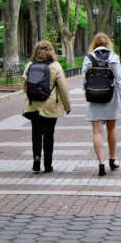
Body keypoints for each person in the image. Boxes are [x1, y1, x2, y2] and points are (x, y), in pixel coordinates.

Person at [22, 40, 71, 174]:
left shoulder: (30, 65)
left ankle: (36, 160)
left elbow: (25, 85)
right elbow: (63, 88)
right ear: (51, 51)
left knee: (36, 134)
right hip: (51, 106)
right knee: (49, 135)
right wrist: (67, 106)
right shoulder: (56, 66)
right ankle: (48, 165)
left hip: (34, 105)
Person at [83, 32, 121, 176]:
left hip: (94, 97)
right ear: (108, 43)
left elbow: (84, 81)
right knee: (112, 127)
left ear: (94, 44)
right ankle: (112, 159)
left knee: (97, 131)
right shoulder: (114, 58)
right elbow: (119, 80)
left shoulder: (88, 58)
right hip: (110, 96)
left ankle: (101, 163)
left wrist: (89, 93)